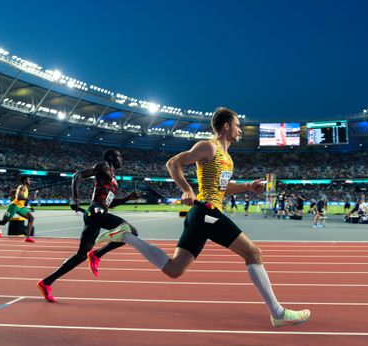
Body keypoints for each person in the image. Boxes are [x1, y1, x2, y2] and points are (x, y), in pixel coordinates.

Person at [94, 107, 310, 327]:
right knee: (253, 252)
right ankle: (278, 312)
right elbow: (173, 163)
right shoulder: (209, 146)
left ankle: (126, 236)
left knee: (174, 269)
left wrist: (247, 186)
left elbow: (222, 188)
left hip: (202, 215)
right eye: (237, 125)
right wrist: (186, 188)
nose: (240, 130)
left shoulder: (227, 158)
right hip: (206, 211)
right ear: (226, 126)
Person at [36, 149, 150, 302]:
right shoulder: (103, 166)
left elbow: (109, 203)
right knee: (132, 232)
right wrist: (74, 199)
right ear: (111, 157)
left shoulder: (113, 178)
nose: (121, 159)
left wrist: (128, 198)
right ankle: (97, 254)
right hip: (96, 211)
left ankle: (46, 282)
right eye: (119, 157)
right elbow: (78, 175)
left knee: (81, 255)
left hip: (97, 212)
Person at [0, 175, 36, 242]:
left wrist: (14, 197)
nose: (30, 181)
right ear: (25, 181)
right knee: (3, 222)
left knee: (31, 218)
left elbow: (13, 192)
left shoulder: (24, 188)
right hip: (14, 206)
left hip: (20, 207)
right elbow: (19, 197)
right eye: (28, 180)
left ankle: (28, 238)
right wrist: (30, 198)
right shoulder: (22, 187)